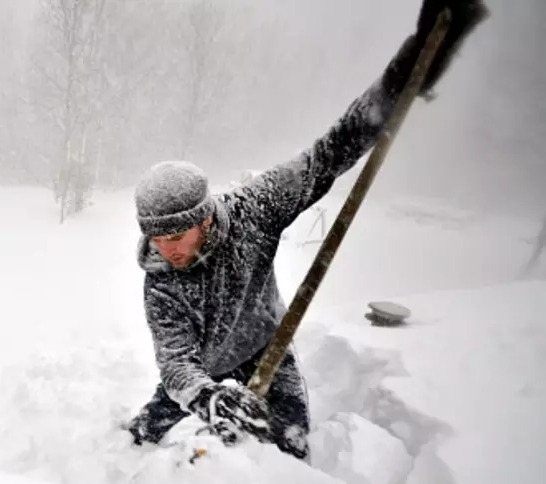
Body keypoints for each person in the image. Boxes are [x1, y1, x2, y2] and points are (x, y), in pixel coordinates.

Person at [124, 0, 488, 460]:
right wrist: (207, 396)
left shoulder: (254, 210)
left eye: (175, 236)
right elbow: (176, 364)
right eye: (156, 238)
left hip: (264, 347)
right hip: (204, 370)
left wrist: (408, 69)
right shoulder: (161, 280)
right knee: (141, 434)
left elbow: (330, 151)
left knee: (291, 447)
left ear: (206, 218)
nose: (166, 249)